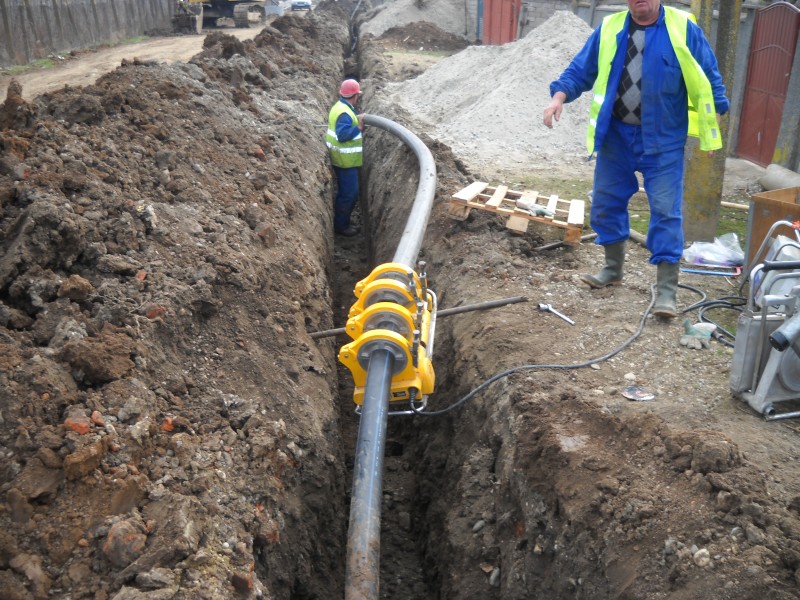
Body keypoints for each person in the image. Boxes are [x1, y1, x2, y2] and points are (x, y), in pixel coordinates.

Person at [543, 0, 729, 319]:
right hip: (616, 136)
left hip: (664, 140)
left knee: (666, 212)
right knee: (606, 203)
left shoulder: (683, 27)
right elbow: (580, 70)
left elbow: (709, 79)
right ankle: (612, 269)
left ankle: (667, 291)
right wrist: (558, 97)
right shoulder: (610, 27)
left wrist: (712, 131)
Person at [326, 78, 365, 237]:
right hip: (344, 161)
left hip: (341, 158)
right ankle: (341, 225)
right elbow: (342, 136)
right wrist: (358, 128)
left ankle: (343, 220)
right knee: (349, 194)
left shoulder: (340, 107)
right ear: (355, 95)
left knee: (347, 192)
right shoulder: (344, 113)